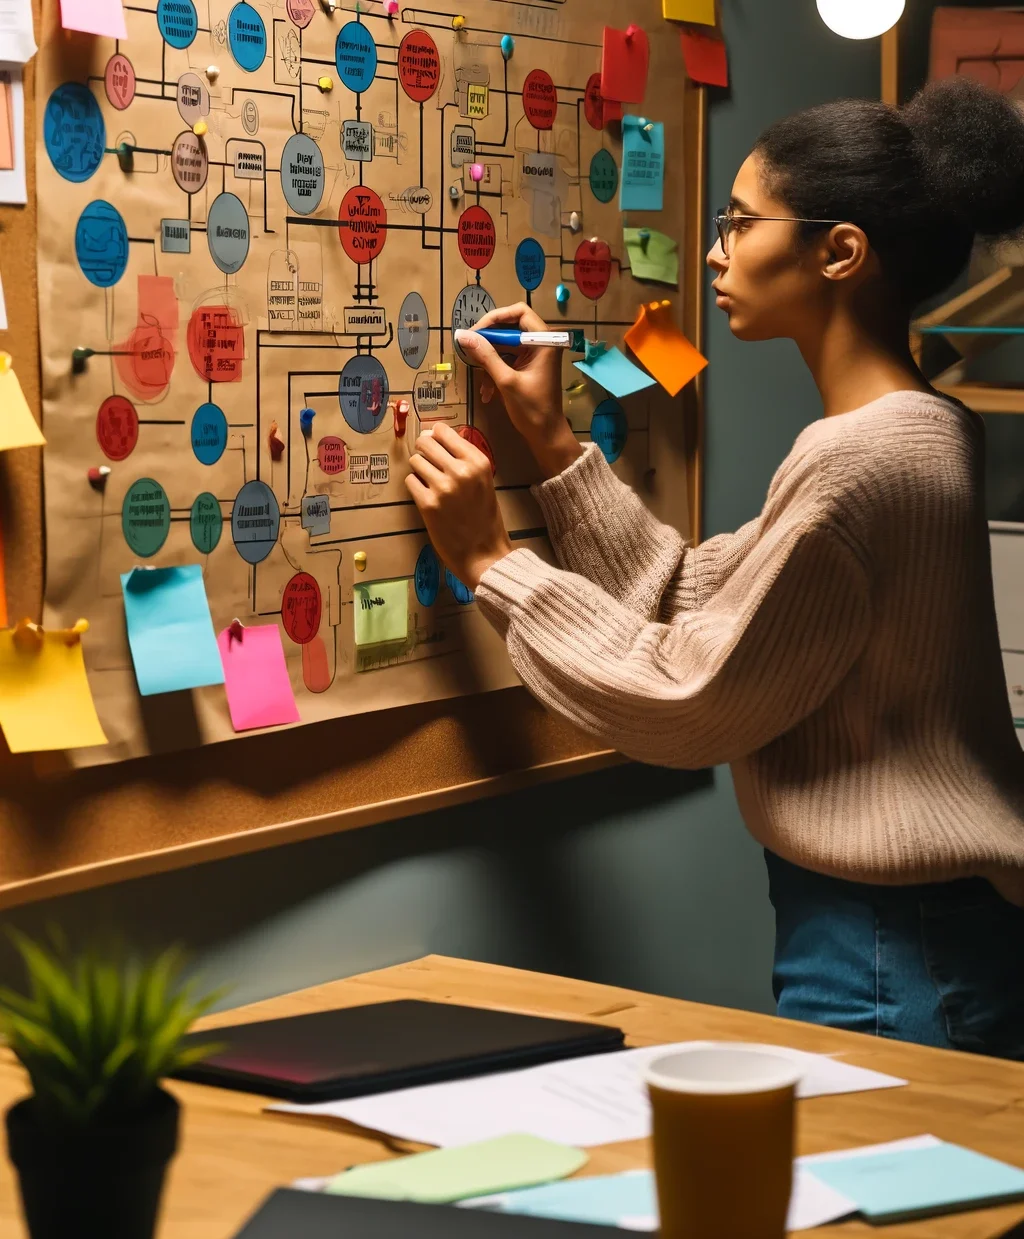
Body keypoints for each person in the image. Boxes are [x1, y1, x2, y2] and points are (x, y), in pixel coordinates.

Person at [404, 77, 1024, 1057]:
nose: (712, 251)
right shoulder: (924, 428)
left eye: (740, 223)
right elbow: (702, 599)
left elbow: (694, 693)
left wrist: (490, 562)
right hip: (914, 932)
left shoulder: (865, 456)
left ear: (839, 252)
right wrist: (554, 442)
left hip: (892, 947)